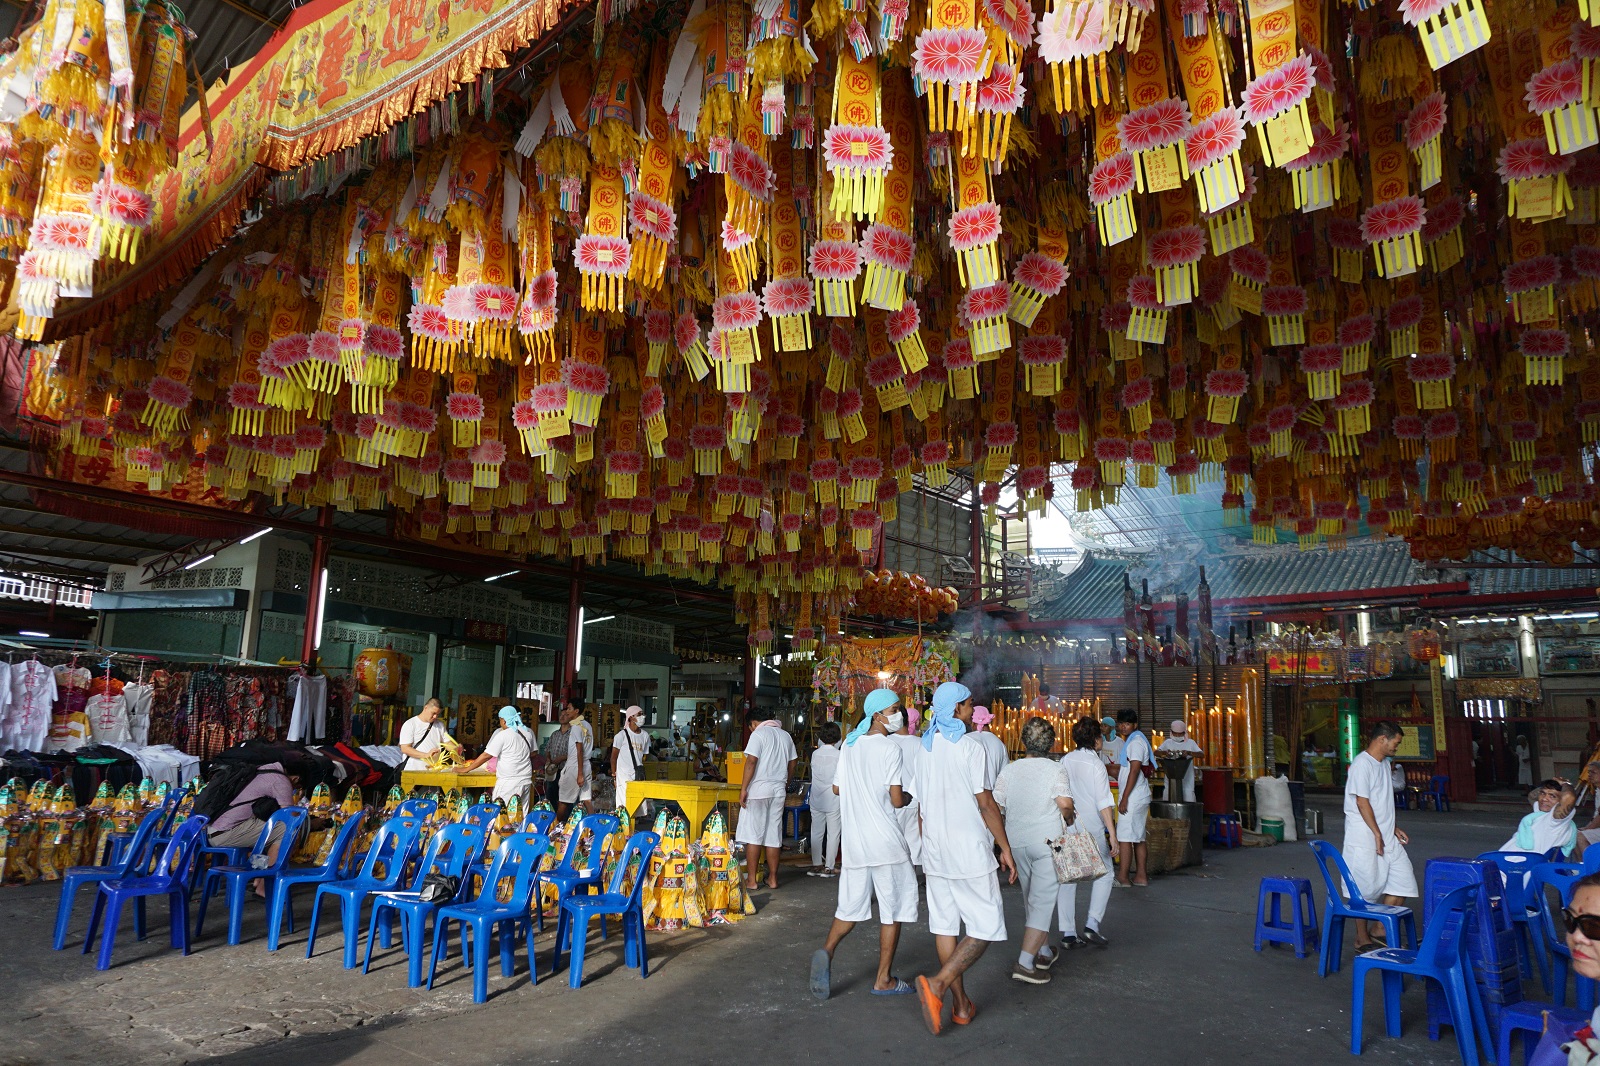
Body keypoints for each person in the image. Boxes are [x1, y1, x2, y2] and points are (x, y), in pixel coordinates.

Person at [913, 681, 1017, 1036]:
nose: (973, 709)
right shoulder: (971, 748)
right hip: (968, 849)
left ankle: (959, 1005)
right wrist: (1004, 846)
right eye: (969, 704)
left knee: (945, 926)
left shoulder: (922, 749)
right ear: (955, 709)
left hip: (936, 850)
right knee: (985, 924)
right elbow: (985, 803)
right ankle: (940, 984)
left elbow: (921, 809)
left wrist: (926, 844)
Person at [810, 689, 916, 999]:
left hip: (856, 845)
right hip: (886, 844)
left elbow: (837, 788)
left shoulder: (850, 747)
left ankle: (827, 951)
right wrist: (907, 796)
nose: (899, 714)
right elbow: (897, 799)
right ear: (879, 713)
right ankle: (883, 979)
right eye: (896, 709)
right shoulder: (889, 749)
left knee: (849, 908)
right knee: (892, 911)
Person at [992, 717, 1075, 985]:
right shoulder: (1055, 769)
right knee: (1041, 901)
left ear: (1024, 741)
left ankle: (1043, 950)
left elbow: (997, 807)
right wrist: (1069, 815)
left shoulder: (1009, 770)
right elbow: (1064, 804)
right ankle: (1025, 963)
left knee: (1032, 897)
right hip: (1046, 842)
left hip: (1017, 842)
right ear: (1051, 742)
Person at [1342, 720, 1418, 952]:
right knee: (1363, 890)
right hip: (1364, 838)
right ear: (1382, 739)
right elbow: (1362, 801)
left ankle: (1378, 929)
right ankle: (1361, 937)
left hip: (1386, 835)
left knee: (1404, 883)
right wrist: (1377, 833)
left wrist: (1392, 827)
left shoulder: (1384, 763)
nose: (1397, 747)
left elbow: (1381, 800)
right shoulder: (1361, 765)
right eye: (1395, 742)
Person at [1058, 716, 1116, 949]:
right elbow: (1104, 802)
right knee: (1106, 873)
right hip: (1091, 826)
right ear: (1094, 739)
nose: (1102, 739)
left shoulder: (1065, 760)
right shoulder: (1096, 765)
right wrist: (1112, 833)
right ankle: (1092, 923)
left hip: (1068, 825)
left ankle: (1068, 932)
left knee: (1068, 877)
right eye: (1100, 735)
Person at [208, 762, 299, 895]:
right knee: (286, 831)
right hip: (225, 833)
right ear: (296, 778)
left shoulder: (260, 771)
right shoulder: (280, 780)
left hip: (213, 830)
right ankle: (264, 888)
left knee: (267, 836)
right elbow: (291, 817)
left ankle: (259, 878)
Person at [734, 708, 798, 890]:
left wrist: (743, 788)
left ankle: (752, 880)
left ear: (753, 723)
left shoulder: (758, 734)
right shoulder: (785, 735)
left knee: (754, 835)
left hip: (759, 791)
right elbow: (793, 762)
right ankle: (773, 879)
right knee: (773, 836)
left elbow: (751, 761)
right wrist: (786, 781)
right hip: (778, 791)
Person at [453, 706, 536, 810]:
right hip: (525, 780)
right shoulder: (527, 733)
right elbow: (533, 752)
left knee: (502, 814)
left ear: (504, 721)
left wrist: (466, 769)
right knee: (520, 814)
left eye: (500, 720)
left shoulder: (503, 735)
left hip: (509, 782)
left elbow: (486, 755)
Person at [1113, 710, 1152, 888]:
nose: (1123, 726)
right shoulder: (1135, 740)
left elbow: (1134, 770)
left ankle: (1123, 877)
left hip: (1133, 796)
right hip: (1138, 794)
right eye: (1121, 723)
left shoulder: (1135, 743)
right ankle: (1141, 876)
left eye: (1127, 723)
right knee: (1138, 837)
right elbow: (1126, 769)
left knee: (1125, 837)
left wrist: (1125, 798)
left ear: (1134, 725)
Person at [1500, 778, 1579, 858]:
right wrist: (1551, 782)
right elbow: (1532, 795)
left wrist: (1565, 783)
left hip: (1518, 866)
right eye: (1542, 793)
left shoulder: (1555, 821)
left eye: (1552, 796)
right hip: (1505, 862)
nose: (1544, 799)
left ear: (1560, 802)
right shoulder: (1541, 813)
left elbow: (1569, 797)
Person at [807, 722, 843, 877]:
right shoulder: (839, 755)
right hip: (833, 798)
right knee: (833, 833)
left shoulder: (815, 754)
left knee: (816, 832)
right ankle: (829, 867)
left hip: (816, 797)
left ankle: (816, 865)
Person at [891, 703, 924, 866]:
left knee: (893, 843)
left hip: (891, 799)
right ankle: (910, 877)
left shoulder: (887, 741)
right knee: (913, 844)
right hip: (914, 801)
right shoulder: (920, 744)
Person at [609, 706, 649, 819]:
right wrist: (614, 776)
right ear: (631, 717)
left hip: (638, 774)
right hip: (623, 776)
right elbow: (613, 757)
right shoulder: (621, 736)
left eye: (642, 714)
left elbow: (644, 756)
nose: (642, 717)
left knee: (637, 805)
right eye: (639, 714)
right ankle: (625, 831)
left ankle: (631, 831)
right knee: (624, 806)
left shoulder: (645, 736)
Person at [558, 702, 593, 817]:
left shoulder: (577, 727)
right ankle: (594, 826)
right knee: (586, 800)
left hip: (575, 766)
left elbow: (580, 750)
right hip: (586, 765)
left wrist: (580, 774)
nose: (567, 711)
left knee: (564, 801)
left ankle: (555, 827)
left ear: (576, 711)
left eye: (569, 708)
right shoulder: (587, 725)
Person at [1156, 719, 1203, 802]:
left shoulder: (1190, 743)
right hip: (1170, 782)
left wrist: (1189, 753)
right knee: (1169, 802)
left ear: (1184, 733)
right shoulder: (1168, 743)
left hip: (1187, 782)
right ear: (1171, 732)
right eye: (1175, 733)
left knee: (1188, 804)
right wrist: (1165, 752)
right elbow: (1156, 752)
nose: (1177, 736)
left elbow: (1201, 754)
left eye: (1180, 734)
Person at [398, 698, 447, 771]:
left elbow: (447, 742)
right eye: (433, 713)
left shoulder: (440, 725)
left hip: (433, 770)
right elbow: (405, 748)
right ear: (426, 708)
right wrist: (426, 755)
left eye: (437, 714)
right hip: (413, 770)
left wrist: (456, 748)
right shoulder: (410, 724)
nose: (435, 717)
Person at [967, 705, 1009, 788]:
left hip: (971, 796)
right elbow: (1005, 777)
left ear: (972, 722)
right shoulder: (999, 744)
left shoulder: (967, 740)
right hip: (992, 797)